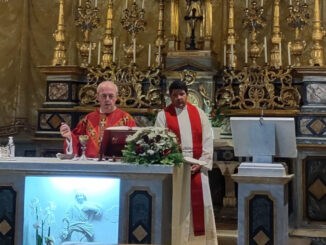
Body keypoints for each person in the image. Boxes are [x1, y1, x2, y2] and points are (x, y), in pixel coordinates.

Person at [155, 80, 218, 245]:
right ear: (170, 97)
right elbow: (159, 140)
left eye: (181, 94)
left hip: (198, 166)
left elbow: (208, 140)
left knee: (201, 206)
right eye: (175, 95)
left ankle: (201, 241)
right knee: (177, 205)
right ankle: (176, 240)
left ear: (187, 95)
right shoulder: (163, 115)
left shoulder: (199, 113)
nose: (179, 98)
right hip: (176, 167)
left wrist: (202, 163)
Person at [60, 81, 136, 158]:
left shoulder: (126, 119)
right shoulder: (88, 119)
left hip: (117, 165)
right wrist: (69, 137)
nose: (107, 99)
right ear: (97, 97)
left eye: (111, 96)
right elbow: (77, 140)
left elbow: (134, 143)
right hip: (91, 166)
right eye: (103, 96)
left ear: (116, 97)